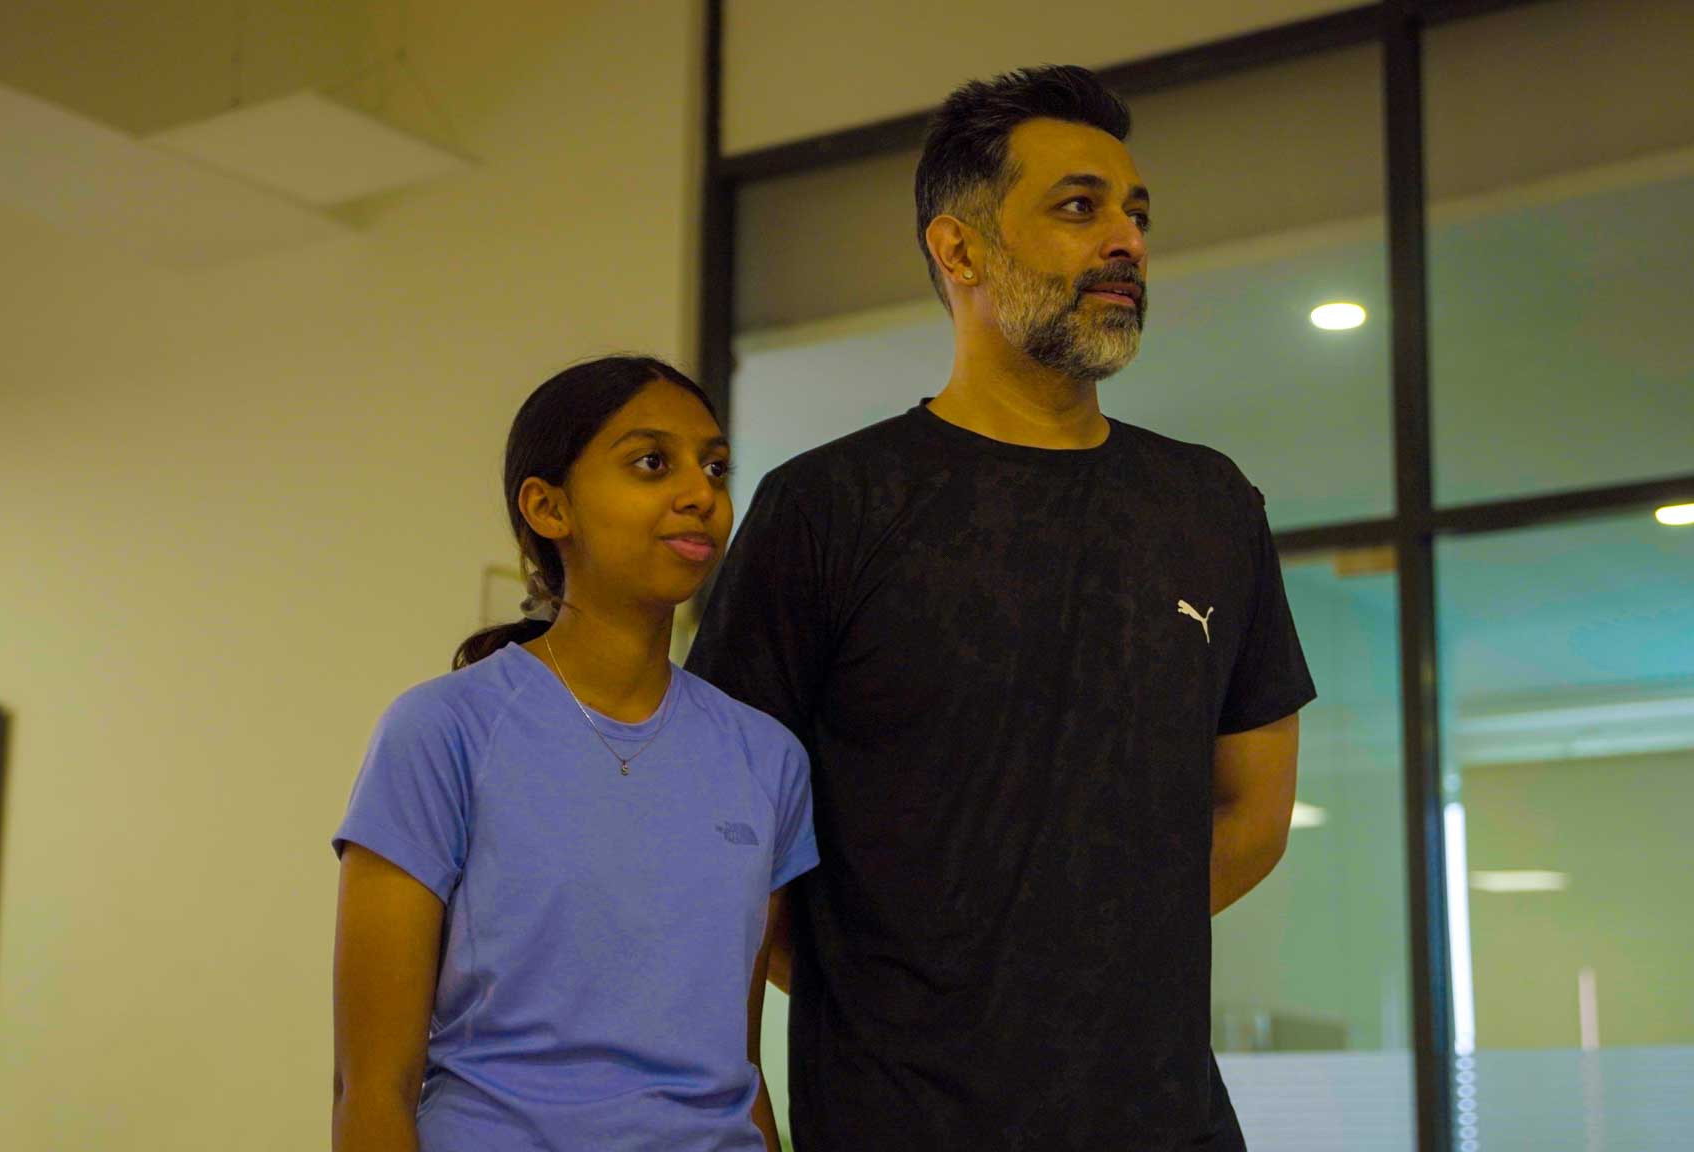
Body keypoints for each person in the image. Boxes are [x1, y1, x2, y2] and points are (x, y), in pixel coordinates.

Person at [686, 67, 1315, 1151]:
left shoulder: (1209, 504)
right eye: (1079, 208)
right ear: (959, 249)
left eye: (1136, 213)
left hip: (1163, 1126)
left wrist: (1086, 953)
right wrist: (879, 1000)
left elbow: (1253, 816)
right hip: (895, 1123)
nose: (1124, 239)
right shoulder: (827, 507)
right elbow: (721, 845)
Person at [331, 355, 817, 1152]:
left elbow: (738, 1070)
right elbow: (369, 1090)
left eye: (715, 466)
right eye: (652, 462)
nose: (701, 493)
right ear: (548, 507)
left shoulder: (767, 760)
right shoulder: (441, 732)